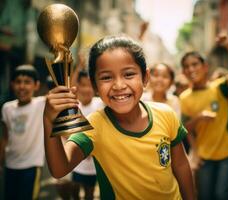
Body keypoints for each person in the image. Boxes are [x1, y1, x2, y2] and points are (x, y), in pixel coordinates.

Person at [43, 35, 195, 200]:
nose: (119, 86)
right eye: (106, 77)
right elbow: (59, 168)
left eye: (128, 74)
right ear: (95, 85)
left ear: (145, 78)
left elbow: (180, 165)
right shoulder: (94, 125)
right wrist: (49, 122)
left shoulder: (166, 114)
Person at [179, 32, 228, 200]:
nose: (191, 69)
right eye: (187, 66)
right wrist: (198, 120)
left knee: (222, 195)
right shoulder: (185, 98)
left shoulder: (219, 87)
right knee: (205, 196)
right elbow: (185, 129)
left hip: (227, 153)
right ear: (183, 71)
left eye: (195, 64)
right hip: (204, 156)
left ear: (205, 67)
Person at [0, 64, 45, 199]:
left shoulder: (41, 104)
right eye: (18, 82)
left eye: (27, 82)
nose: (22, 86)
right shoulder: (7, 108)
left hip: (31, 166)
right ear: (12, 84)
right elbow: (5, 137)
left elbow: (64, 91)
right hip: (10, 165)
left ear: (36, 85)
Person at [71, 70, 104, 200]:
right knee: (74, 190)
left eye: (90, 85)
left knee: (89, 193)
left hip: (92, 164)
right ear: (77, 87)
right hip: (75, 160)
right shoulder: (73, 105)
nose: (86, 89)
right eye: (83, 85)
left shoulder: (99, 104)